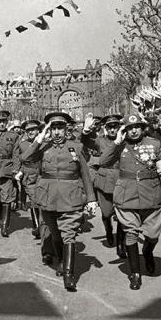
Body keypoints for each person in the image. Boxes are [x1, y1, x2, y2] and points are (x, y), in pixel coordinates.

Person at [21, 112, 98, 292]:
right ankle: (62, 259)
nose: (56, 132)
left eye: (60, 128)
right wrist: (40, 137)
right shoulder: (42, 147)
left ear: (66, 129)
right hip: (47, 196)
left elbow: (85, 174)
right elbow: (25, 158)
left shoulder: (76, 147)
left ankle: (69, 275)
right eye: (53, 128)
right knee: (55, 234)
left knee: (69, 233)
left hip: (70, 196)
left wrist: (91, 199)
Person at [99, 114, 161, 290]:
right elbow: (103, 162)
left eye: (137, 127)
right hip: (127, 196)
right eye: (129, 128)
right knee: (131, 234)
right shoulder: (119, 145)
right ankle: (135, 273)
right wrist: (117, 142)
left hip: (151, 196)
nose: (133, 131)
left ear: (142, 128)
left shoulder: (154, 144)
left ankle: (147, 252)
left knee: (153, 235)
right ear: (125, 130)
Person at [81, 113, 127, 258]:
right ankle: (108, 228)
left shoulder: (126, 141)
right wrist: (86, 130)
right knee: (107, 213)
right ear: (106, 128)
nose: (113, 130)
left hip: (122, 181)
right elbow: (86, 141)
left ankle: (121, 244)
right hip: (105, 181)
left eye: (115, 127)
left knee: (122, 215)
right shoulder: (100, 141)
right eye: (110, 127)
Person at [16, 120, 42, 239]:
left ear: (38, 130)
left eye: (33, 129)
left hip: (43, 174)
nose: (31, 132)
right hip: (30, 175)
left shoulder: (45, 141)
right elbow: (28, 154)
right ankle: (37, 226)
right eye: (28, 130)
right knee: (34, 201)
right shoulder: (23, 143)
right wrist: (20, 171)